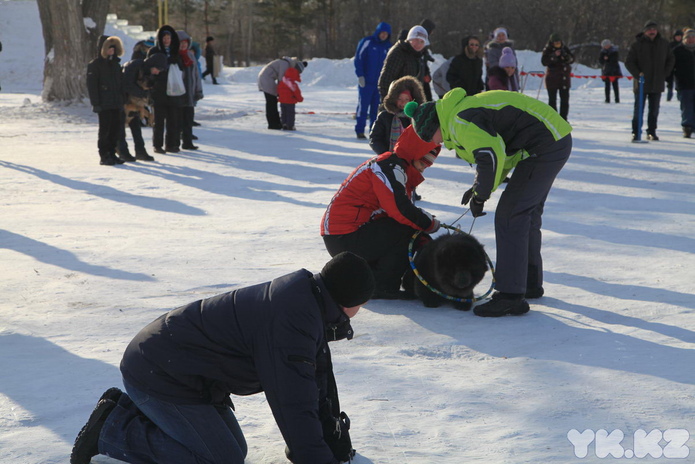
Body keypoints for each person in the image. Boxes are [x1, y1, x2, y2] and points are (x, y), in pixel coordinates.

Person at [70, 251, 375, 464]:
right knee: (221, 460)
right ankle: (112, 431)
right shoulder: (294, 321)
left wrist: (327, 443)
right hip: (158, 371)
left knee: (235, 449)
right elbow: (293, 403)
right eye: (362, 304)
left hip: (183, 372)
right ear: (347, 299)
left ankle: (130, 413)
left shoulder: (307, 301)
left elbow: (314, 383)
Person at [404, 88, 572, 317]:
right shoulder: (458, 113)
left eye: (430, 137)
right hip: (550, 141)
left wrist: (481, 194)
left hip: (543, 145)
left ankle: (510, 296)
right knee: (526, 214)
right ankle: (528, 282)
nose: (435, 142)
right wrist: (479, 189)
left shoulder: (459, 120)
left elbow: (490, 155)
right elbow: (500, 155)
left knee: (510, 215)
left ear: (434, 126)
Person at [321, 125, 441, 299]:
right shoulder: (388, 167)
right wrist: (429, 223)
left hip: (349, 235)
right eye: (423, 161)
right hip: (344, 238)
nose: (424, 168)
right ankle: (383, 284)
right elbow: (400, 210)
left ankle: (376, 276)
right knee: (405, 230)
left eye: (428, 164)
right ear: (414, 152)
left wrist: (424, 240)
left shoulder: (397, 169)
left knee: (408, 230)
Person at [625, 20, 675, 141]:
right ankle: (636, 132)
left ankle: (651, 131)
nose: (652, 32)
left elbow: (670, 60)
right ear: (645, 31)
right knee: (639, 109)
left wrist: (665, 73)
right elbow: (629, 62)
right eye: (649, 30)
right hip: (641, 82)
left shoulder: (663, 44)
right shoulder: (637, 45)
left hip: (657, 82)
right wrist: (638, 73)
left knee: (654, 110)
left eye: (654, 29)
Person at [119, 53, 168, 162]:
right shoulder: (134, 66)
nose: (158, 72)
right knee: (120, 128)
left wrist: (148, 99)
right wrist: (142, 94)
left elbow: (148, 89)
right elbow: (126, 85)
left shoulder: (148, 72)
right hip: (122, 99)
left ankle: (140, 151)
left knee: (136, 127)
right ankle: (122, 151)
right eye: (157, 68)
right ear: (152, 64)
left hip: (135, 102)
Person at [87, 36, 127, 166]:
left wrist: (122, 100)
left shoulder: (116, 65)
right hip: (104, 104)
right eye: (109, 48)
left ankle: (112, 153)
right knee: (105, 130)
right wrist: (96, 103)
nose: (111, 51)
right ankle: (104, 155)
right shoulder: (95, 65)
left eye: (114, 48)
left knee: (115, 130)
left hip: (116, 103)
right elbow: (92, 86)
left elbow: (120, 84)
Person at [147, 25, 187, 154]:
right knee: (159, 120)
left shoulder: (176, 52)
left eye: (168, 38)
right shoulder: (154, 51)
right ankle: (157, 145)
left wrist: (176, 61)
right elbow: (147, 68)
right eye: (164, 38)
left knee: (173, 119)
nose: (166, 40)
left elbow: (182, 68)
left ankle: (172, 144)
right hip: (159, 90)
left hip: (174, 91)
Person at [369, 76, 426, 155]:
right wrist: (386, 154)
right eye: (399, 99)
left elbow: (424, 140)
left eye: (406, 99)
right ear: (393, 98)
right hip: (388, 159)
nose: (403, 103)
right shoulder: (385, 116)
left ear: (412, 100)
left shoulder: (417, 118)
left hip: (411, 160)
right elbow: (375, 139)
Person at [354, 22, 392, 139]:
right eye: (382, 33)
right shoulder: (367, 42)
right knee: (363, 107)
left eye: (386, 34)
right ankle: (360, 130)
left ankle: (373, 131)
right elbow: (358, 59)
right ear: (378, 32)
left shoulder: (388, 47)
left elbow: (391, 65)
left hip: (380, 84)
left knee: (376, 110)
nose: (384, 35)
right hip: (366, 83)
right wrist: (360, 75)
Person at [377, 25, 430, 102]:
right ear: (409, 39)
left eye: (422, 41)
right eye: (416, 40)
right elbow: (385, 80)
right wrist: (388, 103)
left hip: (411, 104)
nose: (418, 44)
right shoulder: (399, 52)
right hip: (396, 103)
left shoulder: (419, 56)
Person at [257, 57, 307, 130]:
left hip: (265, 77)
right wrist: (282, 94)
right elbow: (282, 80)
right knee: (271, 102)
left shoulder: (286, 62)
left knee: (272, 102)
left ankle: (277, 123)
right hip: (267, 79)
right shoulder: (285, 64)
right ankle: (273, 124)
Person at [177, 30, 203, 150]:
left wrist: (198, 91)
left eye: (185, 43)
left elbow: (196, 75)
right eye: (181, 43)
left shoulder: (190, 55)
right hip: (177, 92)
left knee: (188, 118)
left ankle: (187, 142)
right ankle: (174, 142)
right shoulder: (174, 56)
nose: (183, 45)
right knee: (177, 118)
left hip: (190, 92)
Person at [541, 33, 575, 121]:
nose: (557, 44)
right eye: (555, 43)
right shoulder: (547, 50)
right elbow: (544, 62)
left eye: (559, 42)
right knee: (552, 100)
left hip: (564, 79)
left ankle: (563, 119)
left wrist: (566, 56)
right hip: (552, 79)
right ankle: (554, 119)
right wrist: (553, 56)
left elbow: (572, 59)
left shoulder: (564, 48)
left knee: (565, 101)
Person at [672, 28, 695, 138]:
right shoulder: (677, 51)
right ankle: (687, 127)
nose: (691, 39)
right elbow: (671, 67)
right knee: (686, 107)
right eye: (688, 37)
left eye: (693, 37)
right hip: (684, 84)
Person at [277, 65, 304, 130]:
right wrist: (300, 99)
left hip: (282, 101)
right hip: (290, 102)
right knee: (290, 114)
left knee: (284, 113)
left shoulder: (282, 82)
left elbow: (278, 91)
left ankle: (284, 124)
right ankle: (290, 125)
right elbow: (297, 93)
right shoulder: (293, 84)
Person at [599, 39, 622, 103]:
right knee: (607, 86)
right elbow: (600, 61)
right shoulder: (602, 52)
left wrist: (607, 59)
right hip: (606, 71)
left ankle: (617, 99)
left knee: (615, 85)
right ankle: (607, 99)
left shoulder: (614, 51)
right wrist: (604, 60)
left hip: (614, 70)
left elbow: (614, 60)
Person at [667, 30, 683, 101]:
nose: (679, 38)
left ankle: (679, 95)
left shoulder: (683, 45)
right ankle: (669, 95)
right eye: (677, 36)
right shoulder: (671, 45)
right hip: (671, 64)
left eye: (680, 37)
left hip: (680, 65)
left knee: (678, 80)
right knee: (670, 81)